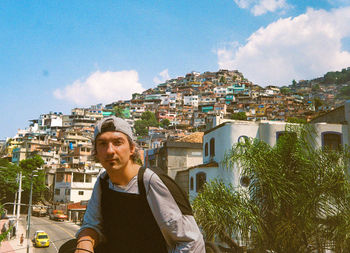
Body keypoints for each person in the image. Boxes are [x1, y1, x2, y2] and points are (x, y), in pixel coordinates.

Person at [75, 116, 205, 253]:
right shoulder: (103, 181)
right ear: (95, 152)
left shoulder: (151, 182)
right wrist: (85, 243)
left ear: (131, 148)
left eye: (117, 143)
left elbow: (192, 242)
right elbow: (91, 223)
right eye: (102, 144)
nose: (110, 151)